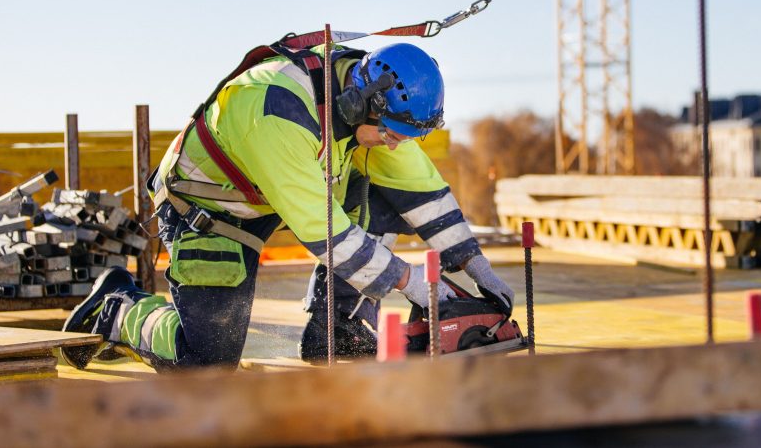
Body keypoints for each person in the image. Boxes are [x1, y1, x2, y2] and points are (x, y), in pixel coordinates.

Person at [62, 40, 514, 370]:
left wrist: (475, 266)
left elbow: (424, 193)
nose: (396, 146)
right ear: (363, 104)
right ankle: (118, 307)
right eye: (392, 135)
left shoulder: (377, 102)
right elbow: (327, 234)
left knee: (382, 188)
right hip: (214, 210)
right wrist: (408, 280)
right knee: (205, 363)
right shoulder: (280, 110)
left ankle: (336, 328)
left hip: (278, 196)